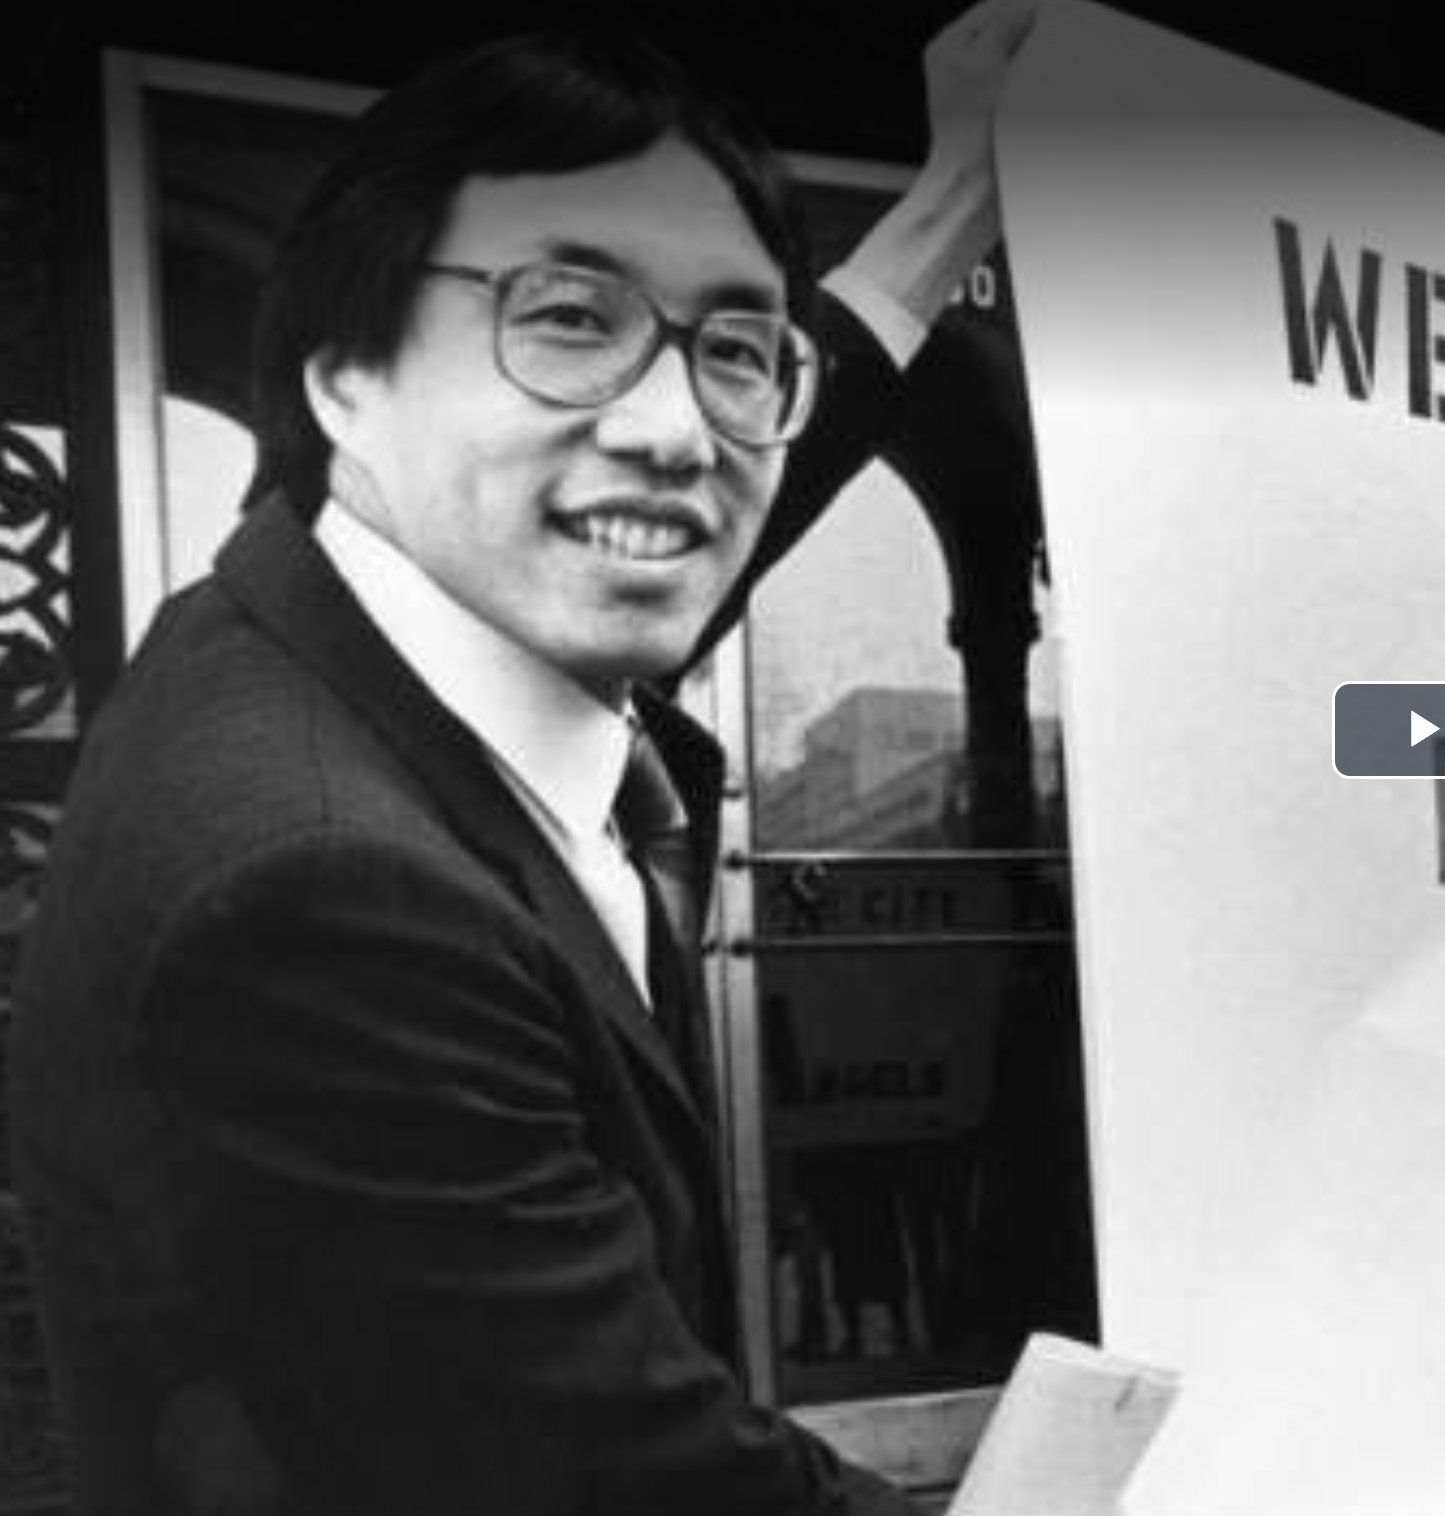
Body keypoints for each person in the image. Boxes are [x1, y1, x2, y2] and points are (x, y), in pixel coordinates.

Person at [5, 5, 1030, 1513]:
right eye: (565, 318)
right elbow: (632, 1480)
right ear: (343, 372)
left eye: (739, 351)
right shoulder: (322, 897)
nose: (678, 436)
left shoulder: (319, 611)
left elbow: (688, 480)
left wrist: (952, 204)